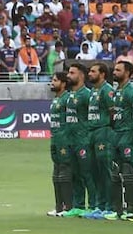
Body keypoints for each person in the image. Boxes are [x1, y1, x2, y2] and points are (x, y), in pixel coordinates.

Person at [59, 64, 93, 217]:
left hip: (83, 140)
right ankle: (78, 205)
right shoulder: (69, 95)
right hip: (70, 140)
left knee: (88, 174)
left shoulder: (87, 94)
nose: (68, 76)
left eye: (72, 73)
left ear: (81, 76)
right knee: (75, 174)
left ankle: (93, 205)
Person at [84, 61, 114, 218]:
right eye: (89, 71)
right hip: (92, 132)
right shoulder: (93, 91)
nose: (90, 74)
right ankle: (100, 205)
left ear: (102, 74)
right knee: (95, 171)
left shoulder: (107, 90)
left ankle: (110, 206)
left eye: (93, 71)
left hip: (103, 132)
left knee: (105, 171)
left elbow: (112, 112)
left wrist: (108, 128)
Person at [110, 60, 133, 220]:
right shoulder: (117, 91)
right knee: (115, 171)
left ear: (127, 73)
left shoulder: (130, 92)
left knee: (128, 172)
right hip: (116, 135)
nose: (114, 72)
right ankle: (118, 209)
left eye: (118, 70)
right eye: (114, 70)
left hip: (128, 135)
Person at [48, 71, 73, 216]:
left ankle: (67, 206)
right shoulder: (56, 99)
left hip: (64, 140)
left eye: (55, 80)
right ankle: (58, 206)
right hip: (55, 139)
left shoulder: (67, 99)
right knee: (56, 173)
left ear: (63, 83)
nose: (52, 83)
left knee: (64, 172)